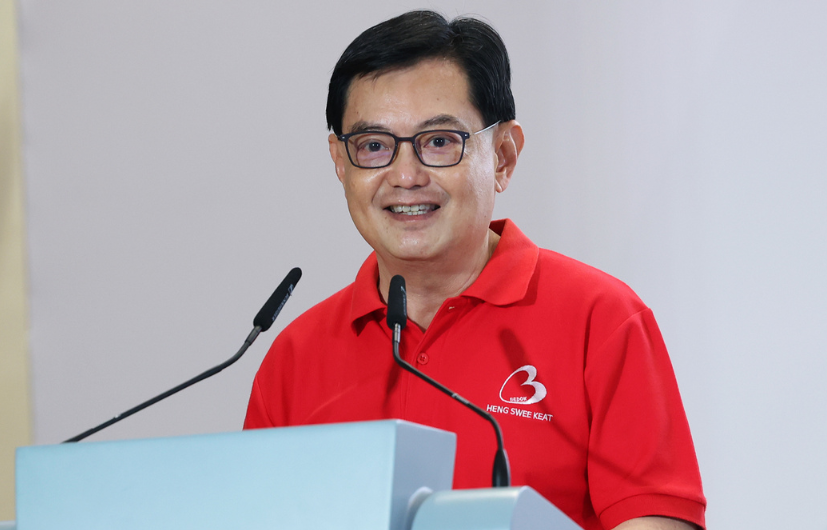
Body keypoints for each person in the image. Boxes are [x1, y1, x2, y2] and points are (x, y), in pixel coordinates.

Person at [243, 10, 705, 530]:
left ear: (503, 156)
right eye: (373, 146)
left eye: (439, 141)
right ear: (339, 161)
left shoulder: (601, 320)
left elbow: (657, 520)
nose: (405, 175)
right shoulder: (295, 358)